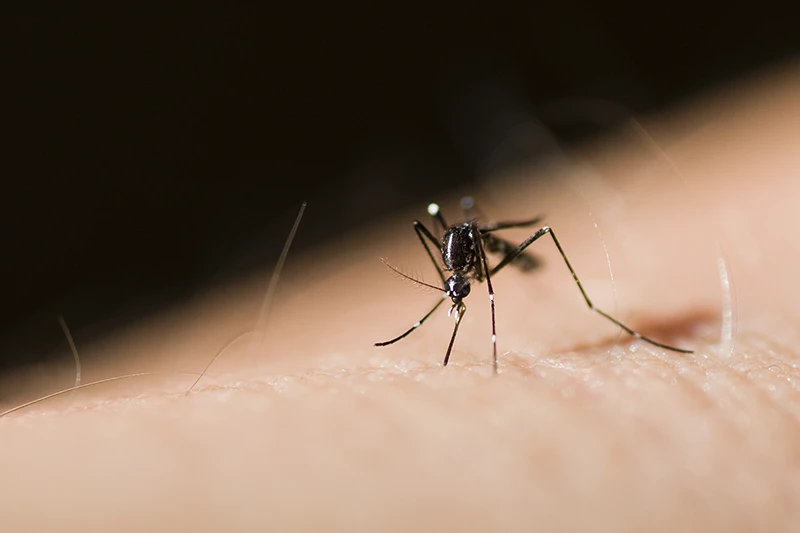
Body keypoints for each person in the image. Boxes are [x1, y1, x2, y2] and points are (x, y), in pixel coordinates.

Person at [2, 65, 799, 531]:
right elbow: (440, 233)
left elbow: (476, 242)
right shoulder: (442, 252)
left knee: (497, 232)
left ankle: (593, 313)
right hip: (462, 235)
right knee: (435, 218)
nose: (453, 289)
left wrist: (478, 305)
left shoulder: (477, 259)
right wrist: (438, 303)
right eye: (448, 287)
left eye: (451, 288)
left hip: (500, 240)